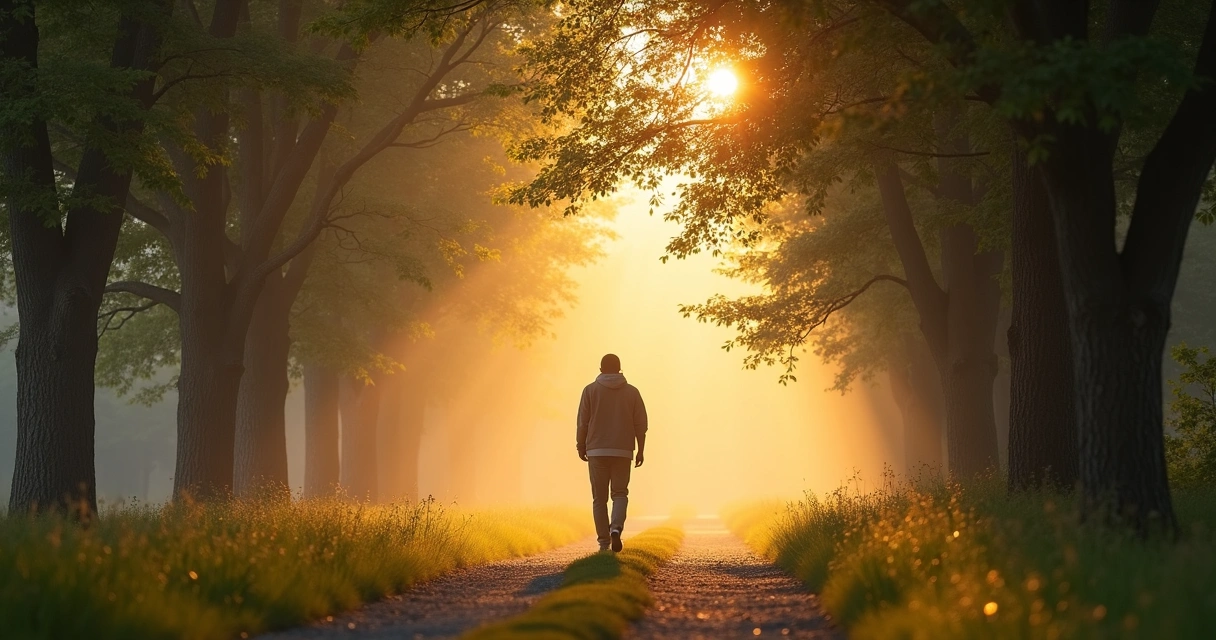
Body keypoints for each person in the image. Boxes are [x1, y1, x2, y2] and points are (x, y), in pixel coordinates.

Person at [577, 353, 648, 552]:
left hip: (596, 450)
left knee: (599, 499)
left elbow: (583, 422)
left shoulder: (590, 391)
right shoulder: (632, 392)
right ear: (619, 369)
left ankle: (603, 542)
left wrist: (580, 445)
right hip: (623, 450)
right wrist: (640, 450)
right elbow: (641, 424)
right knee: (620, 493)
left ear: (601, 369)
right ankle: (615, 528)